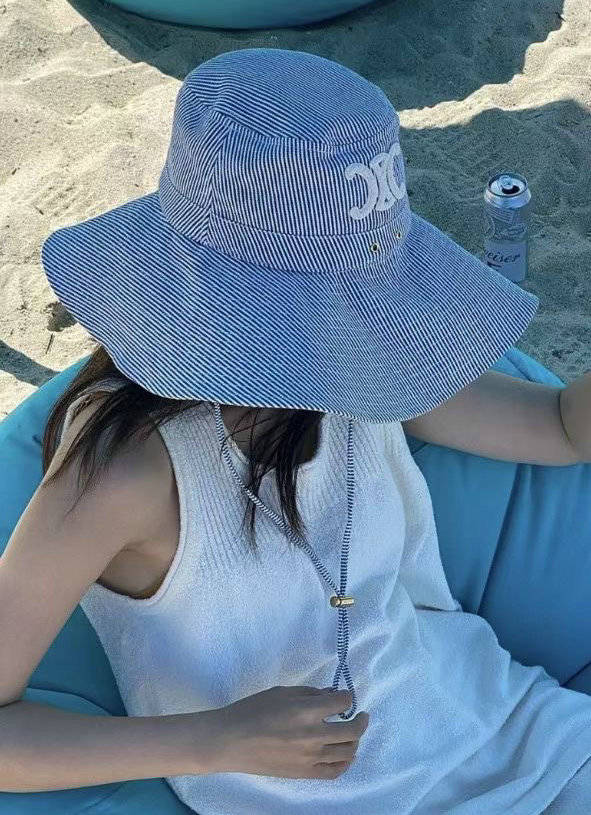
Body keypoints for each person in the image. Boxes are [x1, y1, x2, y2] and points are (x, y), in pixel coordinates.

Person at [1, 48, 590, 814]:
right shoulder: (125, 473)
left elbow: (558, 427)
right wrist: (213, 738)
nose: (358, 320)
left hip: (513, 730)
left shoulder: (370, 359)